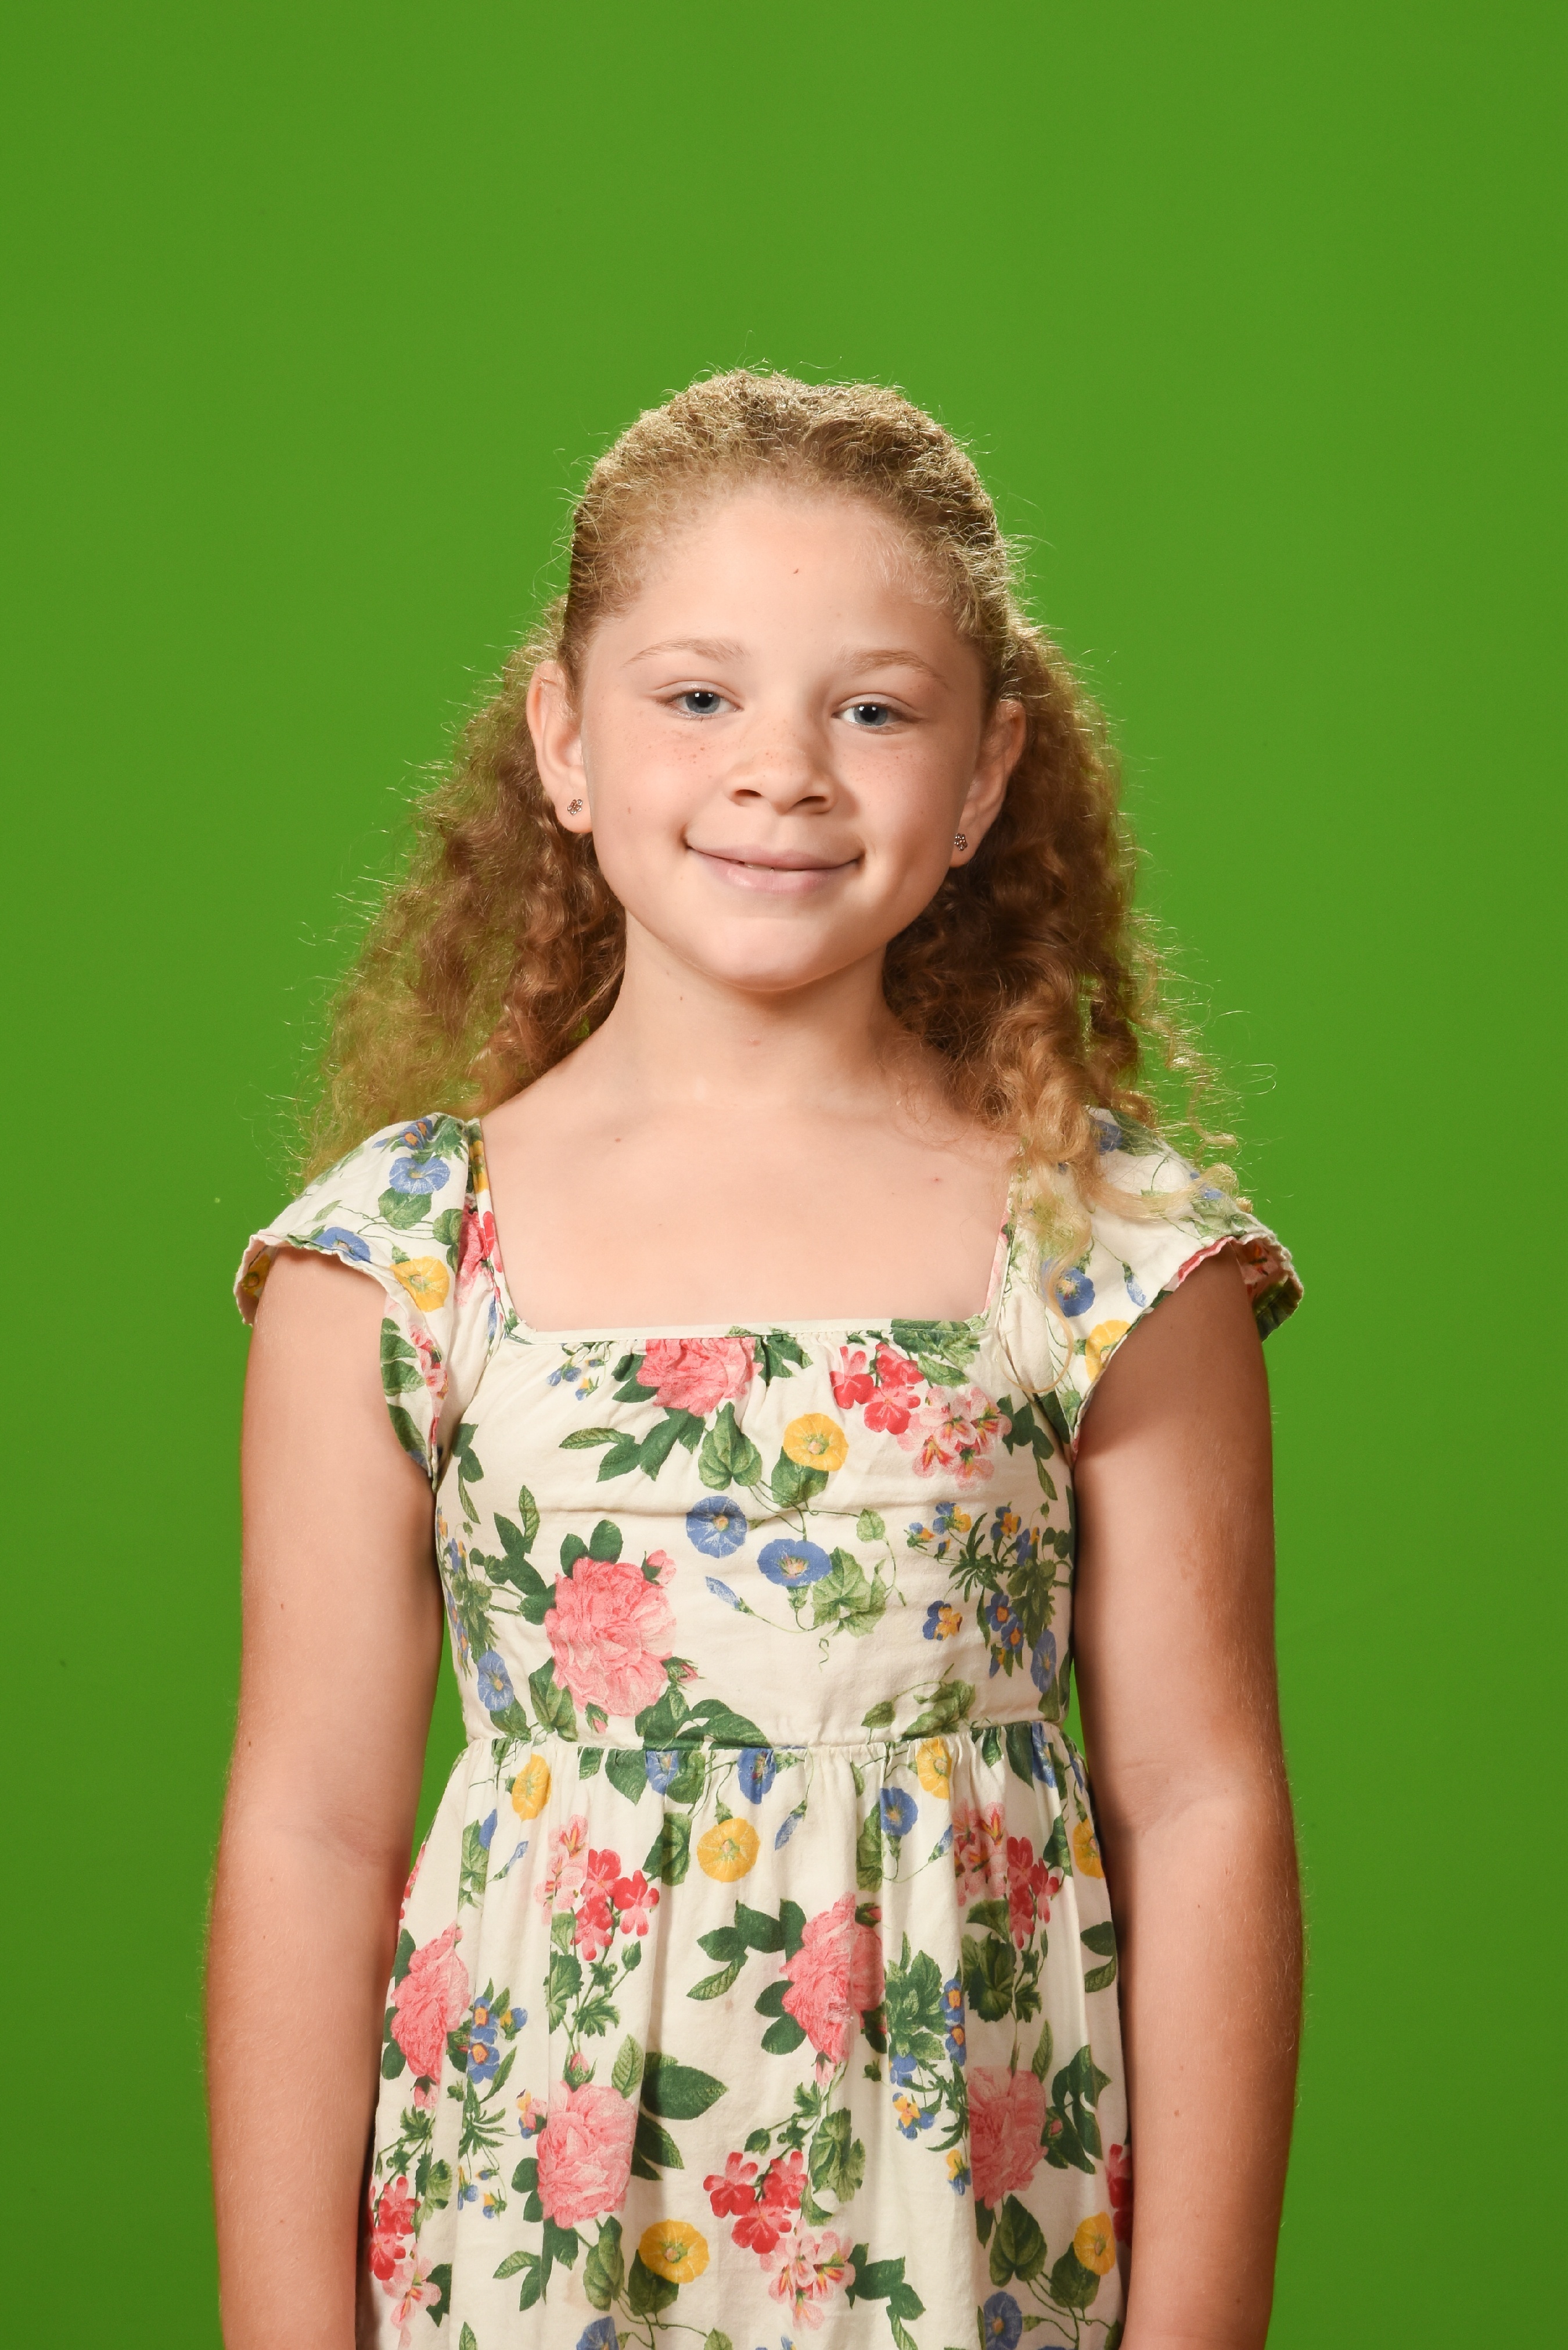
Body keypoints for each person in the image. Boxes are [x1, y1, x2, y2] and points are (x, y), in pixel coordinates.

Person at [207, 371, 1303, 2350]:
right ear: (564, 740)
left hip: (975, 2243)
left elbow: (1203, 1804)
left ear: (984, 776)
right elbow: (310, 1830)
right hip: (523, 2246)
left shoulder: (1113, 1247)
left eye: (871, 710)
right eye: (699, 696)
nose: (782, 771)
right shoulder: (394, 1259)